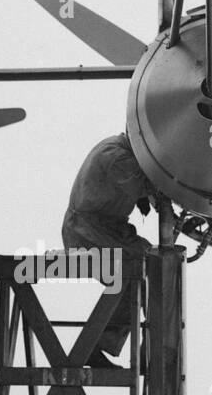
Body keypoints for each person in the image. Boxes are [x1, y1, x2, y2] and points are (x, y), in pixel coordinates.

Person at [61, 133, 156, 366]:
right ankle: (109, 343)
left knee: (147, 265)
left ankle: (142, 344)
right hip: (87, 232)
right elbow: (155, 186)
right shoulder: (115, 157)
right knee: (139, 267)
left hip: (106, 230)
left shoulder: (119, 152)